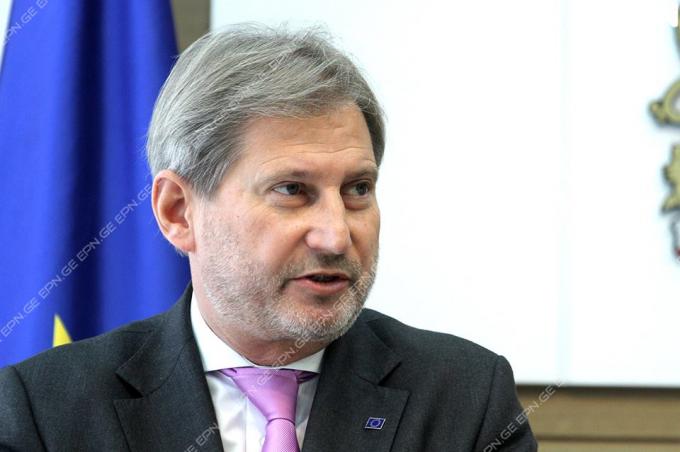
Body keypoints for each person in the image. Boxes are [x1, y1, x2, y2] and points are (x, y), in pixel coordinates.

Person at [0, 24, 537, 451]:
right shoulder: (45, 410)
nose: (335, 235)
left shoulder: (464, 397)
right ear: (178, 212)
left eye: (357, 189)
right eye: (292, 190)